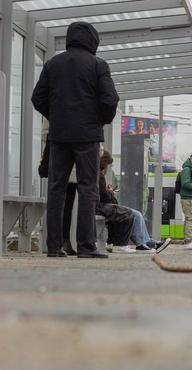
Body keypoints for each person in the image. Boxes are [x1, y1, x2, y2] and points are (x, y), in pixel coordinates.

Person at [32, 21, 119, 258]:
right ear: (93, 41)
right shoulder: (98, 65)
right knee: (88, 189)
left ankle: (54, 246)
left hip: (59, 135)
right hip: (87, 136)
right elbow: (110, 100)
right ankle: (85, 246)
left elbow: (37, 97)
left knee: (56, 189)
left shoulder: (53, 64)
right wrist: (97, 120)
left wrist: (58, 116)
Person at [98, 151, 134, 254]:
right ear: (105, 163)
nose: (109, 168)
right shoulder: (99, 174)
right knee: (128, 213)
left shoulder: (94, 172)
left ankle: (111, 242)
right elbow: (104, 196)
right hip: (98, 206)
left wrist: (107, 191)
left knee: (116, 211)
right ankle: (121, 244)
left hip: (94, 204)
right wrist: (110, 192)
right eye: (109, 165)